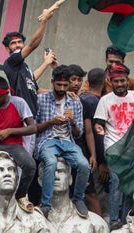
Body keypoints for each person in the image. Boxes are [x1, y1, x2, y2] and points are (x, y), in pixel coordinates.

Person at [35, 67, 90, 218]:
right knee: (51, 162)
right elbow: (33, 127)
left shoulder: (75, 103)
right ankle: (46, 204)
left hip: (68, 141)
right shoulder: (41, 99)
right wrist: (51, 122)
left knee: (84, 165)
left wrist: (72, 122)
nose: (62, 88)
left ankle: (78, 198)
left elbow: (78, 134)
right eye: (59, 85)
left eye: (65, 86)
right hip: (47, 140)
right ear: (52, 82)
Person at [93, 65, 134, 226]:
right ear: (111, 81)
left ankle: (126, 219)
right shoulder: (105, 100)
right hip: (114, 147)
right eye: (116, 81)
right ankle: (114, 219)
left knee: (130, 186)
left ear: (127, 80)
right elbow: (98, 125)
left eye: (122, 80)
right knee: (115, 181)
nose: (120, 84)